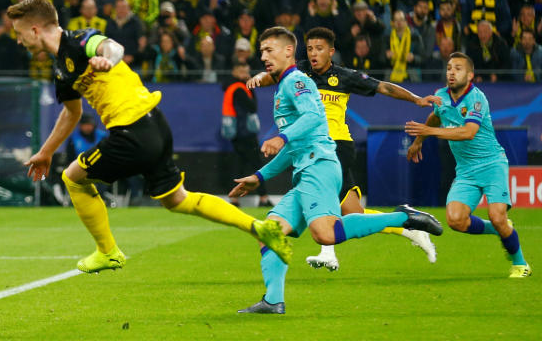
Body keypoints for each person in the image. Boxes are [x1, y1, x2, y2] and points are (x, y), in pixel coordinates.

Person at [6, 0, 291, 274]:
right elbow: (72, 113)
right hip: (153, 125)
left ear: (34, 29)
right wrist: (45, 152)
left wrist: (106, 60)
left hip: (131, 130)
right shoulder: (60, 69)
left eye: (19, 34)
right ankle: (260, 228)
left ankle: (107, 252)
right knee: (178, 199)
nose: (18, 41)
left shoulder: (80, 39)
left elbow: (112, 47)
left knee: (72, 178)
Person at [230, 27, 442, 314]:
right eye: (262, 51)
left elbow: (314, 116)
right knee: (270, 231)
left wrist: (282, 137)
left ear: (288, 52)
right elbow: (294, 147)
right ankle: (273, 300)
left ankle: (403, 217)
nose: (263, 56)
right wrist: (259, 176)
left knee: (325, 233)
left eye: (269, 50)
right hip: (307, 166)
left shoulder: (297, 82)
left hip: (322, 162)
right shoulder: (288, 84)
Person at [405, 53, 531, 278]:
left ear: (470, 75)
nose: (451, 73)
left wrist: (429, 133)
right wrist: (418, 141)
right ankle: (499, 229)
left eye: (458, 69)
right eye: (449, 68)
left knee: (498, 215)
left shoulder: (477, 98)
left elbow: (468, 132)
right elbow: (435, 117)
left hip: (492, 164)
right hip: (466, 170)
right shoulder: (441, 96)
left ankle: (520, 264)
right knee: (455, 219)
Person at [223, 63, 270, 206]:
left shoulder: (232, 88)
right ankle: (263, 198)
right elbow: (252, 107)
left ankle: (234, 199)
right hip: (245, 134)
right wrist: (250, 86)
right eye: (241, 70)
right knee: (257, 165)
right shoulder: (239, 89)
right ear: (234, 71)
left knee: (239, 165)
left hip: (237, 133)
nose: (245, 74)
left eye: (246, 70)